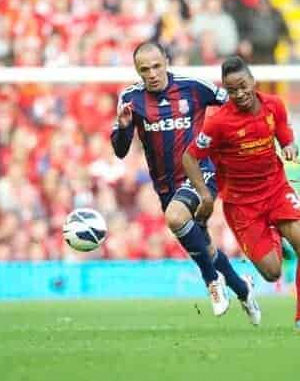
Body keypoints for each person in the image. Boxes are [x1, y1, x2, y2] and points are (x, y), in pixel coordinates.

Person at [111, 42, 260, 324]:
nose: (152, 73)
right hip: (165, 186)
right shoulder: (131, 98)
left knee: (176, 217)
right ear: (137, 71)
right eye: (145, 70)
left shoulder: (193, 87)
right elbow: (120, 151)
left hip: (200, 172)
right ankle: (242, 288)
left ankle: (211, 281)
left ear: (167, 61)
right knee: (205, 246)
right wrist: (122, 126)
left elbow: (234, 104)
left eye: (156, 66)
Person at [182, 56, 300, 332]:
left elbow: (282, 131)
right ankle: (268, 244)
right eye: (232, 90)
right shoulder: (219, 122)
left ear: (253, 81)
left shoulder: (274, 105)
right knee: (273, 273)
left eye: (243, 86)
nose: (240, 94)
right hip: (241, 204)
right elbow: (189, 157)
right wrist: (205, 196)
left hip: (276, 189)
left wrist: (289, 144)